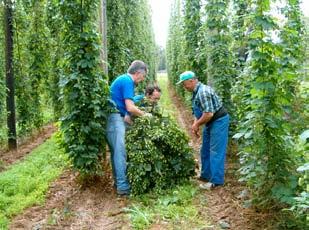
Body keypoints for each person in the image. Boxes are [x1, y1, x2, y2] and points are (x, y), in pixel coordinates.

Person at [177, 71, 230, 189]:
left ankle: (216, 182)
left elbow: (209, 114)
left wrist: (197, 124)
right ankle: (206, 175)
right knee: (205, 149)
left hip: (218, 121)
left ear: (191, 81)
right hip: (209, 121)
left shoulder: (203, 92)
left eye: (184, 84)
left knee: (216, 151)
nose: (184, 87)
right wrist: (196, 124)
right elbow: (198, 110)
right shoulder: (196, 93)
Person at [106, 60, 150, 196]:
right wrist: (145, 115)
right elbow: (130, 107)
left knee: (116, 152)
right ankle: (123, 187)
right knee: (120, 152)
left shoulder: (123, 80)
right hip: (114, 119)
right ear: (137, 73)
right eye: (142, 77)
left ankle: (118, 183)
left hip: (114, 118)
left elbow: (125, 110)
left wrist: (128, 118)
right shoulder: (127, 81)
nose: (141, 80)